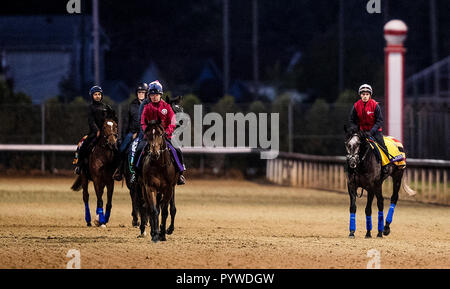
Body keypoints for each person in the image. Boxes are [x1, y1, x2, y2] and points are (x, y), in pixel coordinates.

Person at [130, 80, 186, 185]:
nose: (154, 97)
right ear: (149, 96)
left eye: (156, 95)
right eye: (152, 95)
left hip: (165, 136)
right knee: (138, 150)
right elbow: (142, 122)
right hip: (150, 137)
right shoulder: (147, 107)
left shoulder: (167, 106)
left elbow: (172, 122)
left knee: (177, 150)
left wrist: (167, 132)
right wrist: (147, 133)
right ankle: (135, 173)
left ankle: (180, 173)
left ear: (161, 95)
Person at [74, 85, 117, 175]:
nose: (97, 96)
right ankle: (79, 165)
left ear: (102, 95)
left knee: (116, 148)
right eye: (95, 94)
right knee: (83, 146)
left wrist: (112, 129)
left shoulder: (107, 107)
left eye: (99, 94)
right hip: (94, 133)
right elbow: (91, 121)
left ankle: (118, 168)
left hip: (107, 133)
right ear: (92, 96)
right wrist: (97, 130)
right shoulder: (90, 107)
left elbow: (113, 119)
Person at [112, 83, 148, 180]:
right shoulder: (132, 105)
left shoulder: (149, 105)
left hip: (145, 134)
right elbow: (126, 122)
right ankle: (119, 170)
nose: (141, 94)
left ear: (146, 93)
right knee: (122, 148)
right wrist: (124, 136)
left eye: (143, 92)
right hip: (132, 133)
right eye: (139, 92)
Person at [349, 84, 389, 170]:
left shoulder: (375, 105)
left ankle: (386, 165)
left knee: (382, 146)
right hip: (361, 132)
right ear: (360, 95)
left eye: (367, 94)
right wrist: (355, 129)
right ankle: (350, 165)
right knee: (352, 144)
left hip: (374, 132)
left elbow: (379, 121)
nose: (365, 96)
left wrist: (371, 132)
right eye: (363, 94)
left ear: (370, 95)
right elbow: (352, 120)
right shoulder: (356, 106)